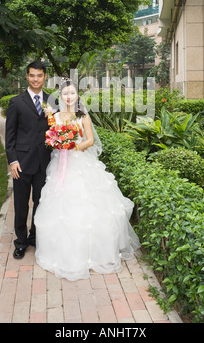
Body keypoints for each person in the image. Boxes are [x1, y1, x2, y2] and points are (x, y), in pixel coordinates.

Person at [34, 78, 140, 281]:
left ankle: (93, 252)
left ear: (77, 95)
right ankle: (64, 251)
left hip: (81, 162)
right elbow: (50, 138)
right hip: (60, 164)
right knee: (60, 206)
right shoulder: (54, 117)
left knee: (87, 205)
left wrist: (73, 146)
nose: (68, 97)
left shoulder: (83, 117)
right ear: (60, 97)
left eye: (72, 93)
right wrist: (59, 143)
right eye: (65, 94)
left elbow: (90, 141)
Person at [5, 61, 57, 259]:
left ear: (45, 77)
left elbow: (57, 130)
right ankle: (20, 241)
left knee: (40, 202)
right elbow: (10, 136)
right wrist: (12, 160)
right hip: (22, 163)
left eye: (40, 75)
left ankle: (35, 237)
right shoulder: (16, 102)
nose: (36, 79)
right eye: (32, 75)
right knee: (20, 203)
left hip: (45, 162)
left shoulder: (52, 101)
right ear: (27, 77)